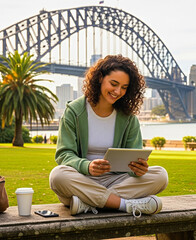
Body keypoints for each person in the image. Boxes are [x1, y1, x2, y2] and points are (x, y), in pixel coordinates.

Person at [49, 55, 168, 217]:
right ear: (99, 78)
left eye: (124, 87)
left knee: (160, 175)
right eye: (114, 84)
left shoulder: (128, 118)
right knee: (58, 176)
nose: (118, 91)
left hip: (115, 181)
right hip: (82, 179)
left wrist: (138, 169)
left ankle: (87, 203)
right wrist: (87, 166)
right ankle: (125, 204)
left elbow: (133, 157)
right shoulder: (74, 111)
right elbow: (64, 155)